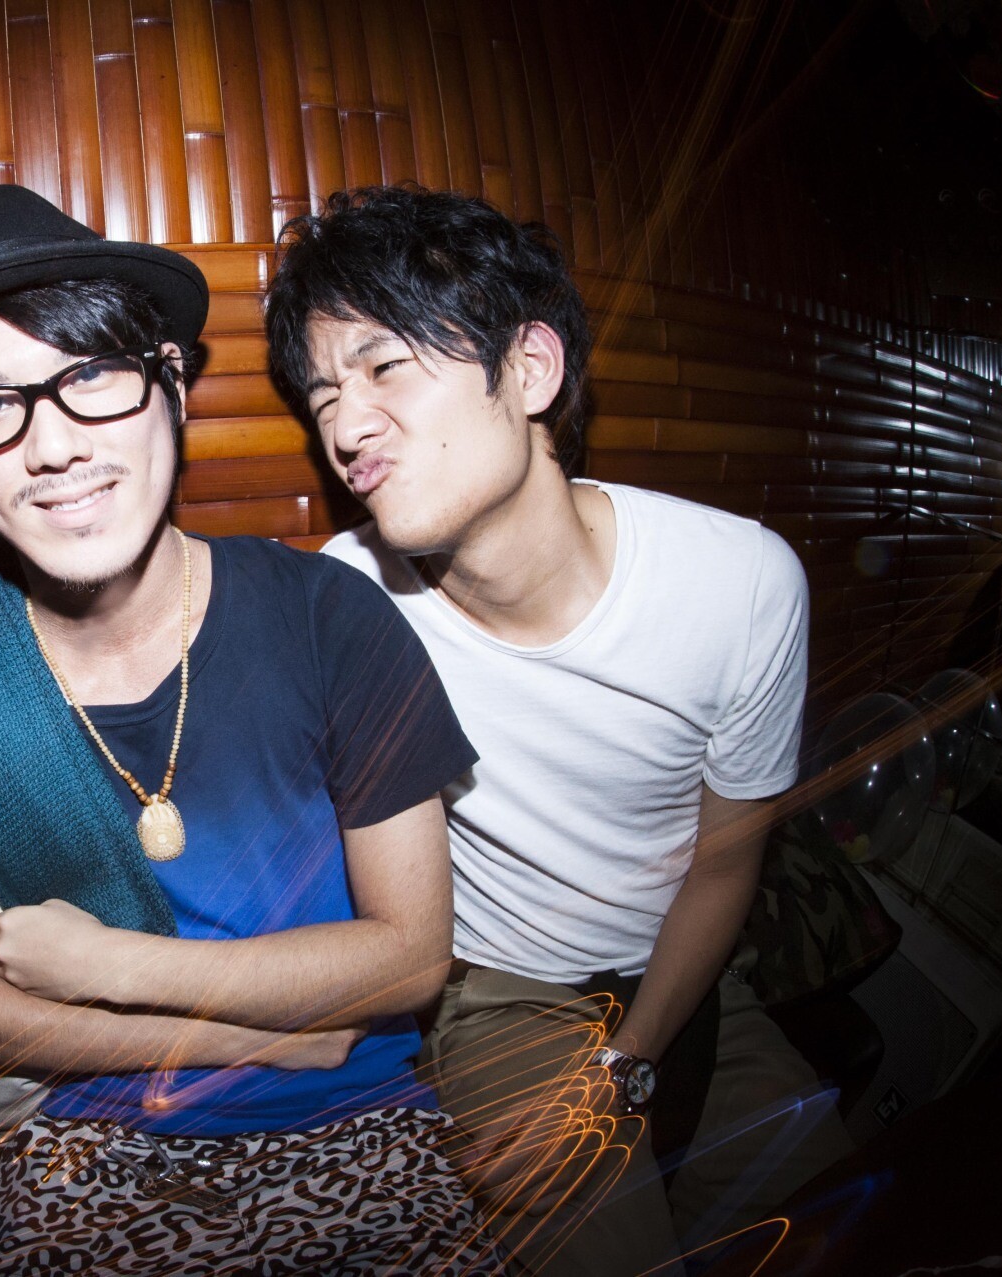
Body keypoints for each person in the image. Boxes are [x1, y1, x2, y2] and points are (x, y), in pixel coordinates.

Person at [0, 184, 500, 1275]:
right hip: (91, 1142)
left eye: (91, 376)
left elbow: (406, 957)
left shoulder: (328, 615)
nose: (52, 446)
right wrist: (244, 1037)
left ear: (173, 387)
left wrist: (110, 960)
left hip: (357, 1119)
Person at [265, 185, 855, 1276]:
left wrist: (630, 1062)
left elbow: (728, 860)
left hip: (688, 968)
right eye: (323, 395)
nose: (344, 428)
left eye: (385, 365)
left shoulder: (739, 584)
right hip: (500, 989)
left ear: (531, 368)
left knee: (842, 1214)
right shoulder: (348, 602)